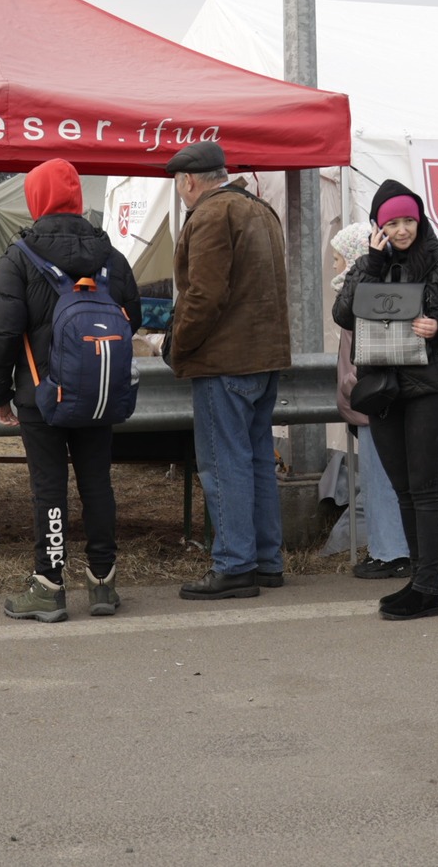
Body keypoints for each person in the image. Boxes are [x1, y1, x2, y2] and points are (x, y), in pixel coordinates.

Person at [0, 159, 140, 623]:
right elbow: (135, 319)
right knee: (97, 484)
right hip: (99, 393)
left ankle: (49, 587)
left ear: (36, 199)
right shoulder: (110, 255)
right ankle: (104, 584)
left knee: (48, 487)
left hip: (40, 396)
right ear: (76, 197)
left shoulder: (19, 256)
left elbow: (2, 334)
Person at [334, 180, 438, 620]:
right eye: (392, 223)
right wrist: (372, 263)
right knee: (403, 490)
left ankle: (428, 588)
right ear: (378, 227)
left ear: (419, 222)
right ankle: (418, 579)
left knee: (426, 490)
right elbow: (343, 314)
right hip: (384, 392)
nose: (402, 230)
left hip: (432, 389)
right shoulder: (369, 264)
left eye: (408, 222)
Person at [162, 141, 292, 601]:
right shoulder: (260, 210)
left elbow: (203, 296)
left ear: (189, 181)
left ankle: (236, 565)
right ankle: (265, 561)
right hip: (264, 356)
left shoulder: (212, 215)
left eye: (179, 186)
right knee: (256, 459)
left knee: (223, 463)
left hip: (225, 361)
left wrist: (178, 346)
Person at [329, 221, 414, 580]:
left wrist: (351, 389)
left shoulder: (360, 296)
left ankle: (391, 553)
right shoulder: (374, 289)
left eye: (337, 259)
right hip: (373, 404)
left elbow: (359, 358)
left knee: (381, 485)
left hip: (371, 404)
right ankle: (391, 549)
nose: (334, 267)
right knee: (384, 483)